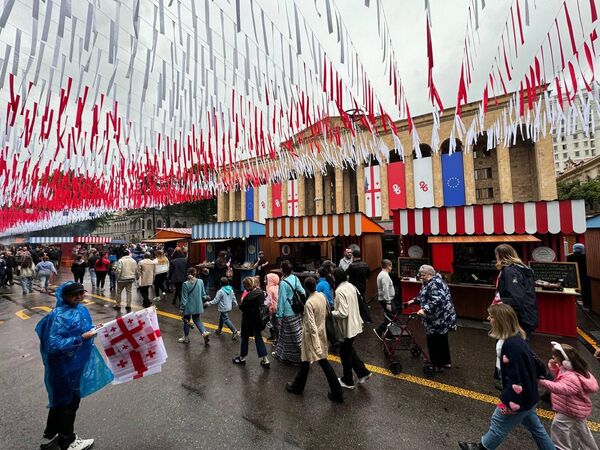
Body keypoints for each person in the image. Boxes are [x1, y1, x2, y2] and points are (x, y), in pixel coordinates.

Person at [458, 303, 554, 450]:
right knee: (536, 428)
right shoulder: (516, 339)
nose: (488, 318)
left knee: (498, 423)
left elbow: (516, 378)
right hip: (529, 395)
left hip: (518, 398)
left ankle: (482, 448)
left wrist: (511, 402)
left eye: (491, 316)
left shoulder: (510, 345)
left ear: (500, 320)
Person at [36, 282, 113, 450]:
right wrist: (81, 338)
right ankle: (68, 441)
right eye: (74, 294)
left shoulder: (80, 310)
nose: (78, 297)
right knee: (68, 403)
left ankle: (56, 433)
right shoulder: (58, 316)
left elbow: (79, 330)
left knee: (64, 402)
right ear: (64, 296)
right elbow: (53, 345)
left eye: (81, 293)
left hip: (76, 365)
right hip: (63, 368)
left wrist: (93, 329)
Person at [286, 277, 344, 403]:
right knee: (306, 361)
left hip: (312, 337)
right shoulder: (322, 296)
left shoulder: (309, 303)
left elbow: (311, 325)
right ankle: (299, 386)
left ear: (306, 288)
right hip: (321, 332)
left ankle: (337, 391)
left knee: (317, 361)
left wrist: (316, 344)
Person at [538, 342, 599, 450]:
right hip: (577, 409)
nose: (553, 357)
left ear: (564, 359)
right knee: (582, 432)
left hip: (570, 408)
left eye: (555, 356)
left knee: (558, 426)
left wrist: (541, 382)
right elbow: (560, 377)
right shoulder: (570, 369)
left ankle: (561, 448)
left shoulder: (572, 376)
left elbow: (561, 388)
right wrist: (554, 367)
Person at [406, 265, 456, 372]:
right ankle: (445, 361)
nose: (421, 277)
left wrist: (425, 309)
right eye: (420, 274)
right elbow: (424, 296)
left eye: (423, 275)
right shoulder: (429, 282)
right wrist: (414, 301)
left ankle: (437, 364)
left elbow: (438, 300)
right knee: (441, 338)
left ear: (430, 274)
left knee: (434, 340)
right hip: (438, 317)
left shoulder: (436, 283)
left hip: (438, 317)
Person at [332, 268, 372, 389]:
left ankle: (348, 380)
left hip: (347, 328)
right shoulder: (350, 286)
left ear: (336, 277)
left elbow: (343, 312)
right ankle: (363, 372)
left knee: (345, 354)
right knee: (349, 350)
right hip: (355, 324)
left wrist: (331, 312)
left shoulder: (339, 291)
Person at [494, 244, 538, 337]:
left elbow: (515, 297)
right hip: (526, 314)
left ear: (501, 255)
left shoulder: (510, 271)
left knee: (510, 344)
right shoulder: (520, 268)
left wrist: (505, 316)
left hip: (517, 318)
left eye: (497, 255)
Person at [232, 277, 270, 367]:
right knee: (258, 338)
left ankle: (242, 357)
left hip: (247, 320)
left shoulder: (247, 298)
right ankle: (265, 360)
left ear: (246, 286)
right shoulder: (261, 292)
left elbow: (242, 307)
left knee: (245, 337)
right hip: (258, 319)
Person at [273, 260, 305, 365]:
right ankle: (281, 354)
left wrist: (279, 315)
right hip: (296, 310)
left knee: (292, 337)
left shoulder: (283, 283)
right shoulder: (295, 278)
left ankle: (302, 358)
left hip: (287, 312)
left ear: (282, 270)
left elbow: (281, 300)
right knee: (291, 335)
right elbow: (303, 292)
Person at [178, 268, 211, 345]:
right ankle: (204, 332)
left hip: (188, 306)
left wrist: (181, 307)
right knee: (197, 320)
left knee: (186, 321)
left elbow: (184, 298)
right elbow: (203, 295)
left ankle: (186, 338)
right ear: (195, 273)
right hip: (198, 305)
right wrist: (206, 299)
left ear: (188, 273)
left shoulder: (185, 284)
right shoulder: (200, 281)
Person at [567, 243, 591, 310]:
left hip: (573, 275)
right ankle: (586, 305)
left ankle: (572, 303)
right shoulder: (585, 256)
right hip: (584, 275)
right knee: (585, 290)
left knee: (572, 289)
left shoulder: (569, 257)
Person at [375, 259, 395, 337]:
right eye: (391, 266)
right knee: (392, 316)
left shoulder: (382, 274)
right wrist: (388, 302)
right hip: (386, 300)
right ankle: (381, 331)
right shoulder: (385, 276)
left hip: (384, 299)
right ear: (388, 266)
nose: (391, 268)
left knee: (389, 316)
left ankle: (388, 334)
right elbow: (385, 289)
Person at [265, 273, 280, 342]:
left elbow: (269, 301)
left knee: (274, 324)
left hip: (273, 309)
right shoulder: (278, 286)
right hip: (279, 308)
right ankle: (276, 337)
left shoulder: (269, 289)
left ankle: (277, 339)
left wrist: (268, 310)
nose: (264, 281)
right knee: (277, 324)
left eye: (266, 279)